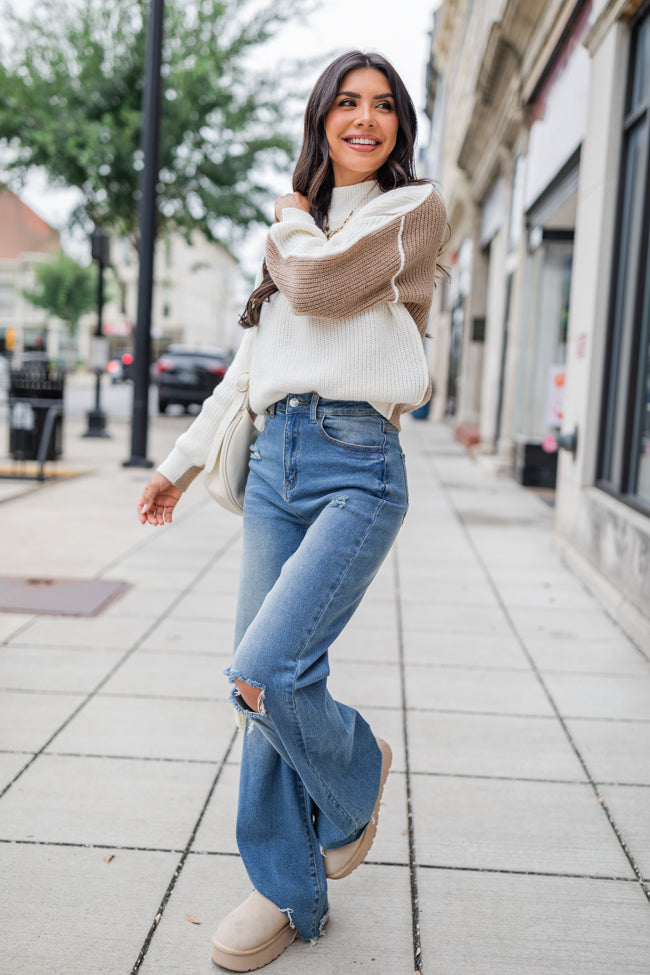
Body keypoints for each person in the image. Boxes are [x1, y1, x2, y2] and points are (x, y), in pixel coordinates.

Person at [137, 50, 447, 972]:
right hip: (274, 459)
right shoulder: (297, 232)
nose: (365, 118)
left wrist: (290, 222)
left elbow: (317, 283)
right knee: (255, 694)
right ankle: (285, 890)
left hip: (358, 464)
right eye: (346, 103)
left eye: (383, 105)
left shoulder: (409, 212)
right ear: (319, 120)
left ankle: (356, 777)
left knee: (264, 666)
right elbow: (252, 364)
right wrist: (181, 465)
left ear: (400, 126)